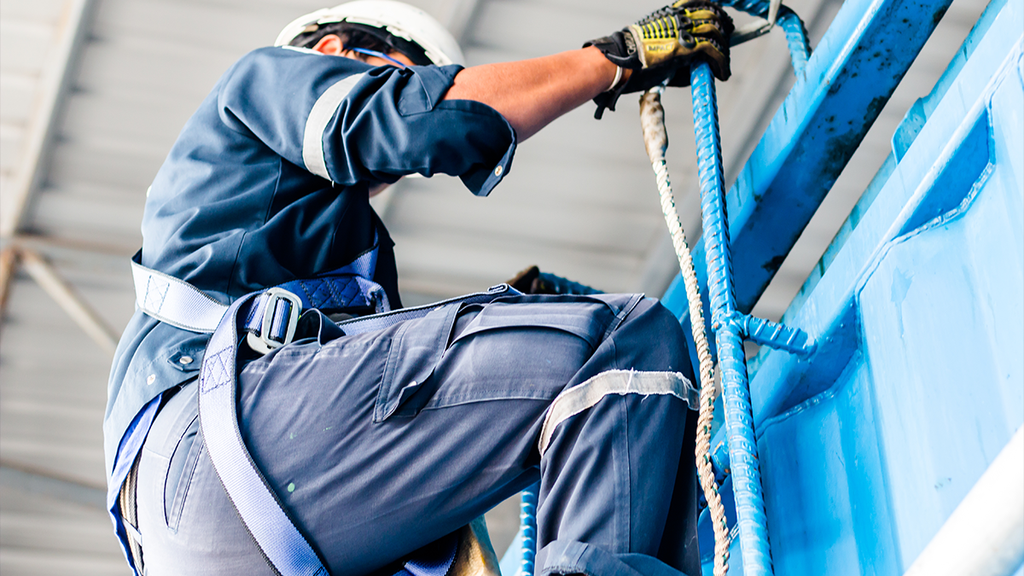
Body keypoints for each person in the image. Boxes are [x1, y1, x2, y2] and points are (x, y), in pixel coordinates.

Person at [103, 1, 733, 575]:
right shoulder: (266, 80)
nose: (410, 89)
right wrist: (611, 60)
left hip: (216, 529)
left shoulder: (337, 254)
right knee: (617, 345)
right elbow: (405, 120)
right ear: (332, 53)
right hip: (214, 454)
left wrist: (519, 324)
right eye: (399, 73)